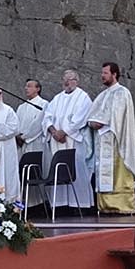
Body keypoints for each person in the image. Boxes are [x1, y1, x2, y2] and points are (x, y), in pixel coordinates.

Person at [85, 63, 135, 215]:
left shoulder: (122, 92)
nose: (102, 76)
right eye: (102, 73)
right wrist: (91, 123)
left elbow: (117, 115)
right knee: (103, 172)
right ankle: (105, 206)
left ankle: (122, 205)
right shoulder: (102, 95)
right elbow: (91, 115)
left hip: (116, 140)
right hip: (102, 140)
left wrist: (100, 122)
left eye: (105, 73)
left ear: (114, 74)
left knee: (118, 172)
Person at [46, 71, 94, 212]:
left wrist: (64, 132)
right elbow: (47, 116)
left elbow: (80, 118)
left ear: (76, 81)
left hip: (74, 139)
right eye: (65, 79)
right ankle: (60, 205)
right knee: (59, 170)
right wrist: (53, 131)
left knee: (77, 171)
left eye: (70, 79)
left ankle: (79, 205)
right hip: (57, 140)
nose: (67, 82)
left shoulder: (83, 97)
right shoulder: (57, 98)